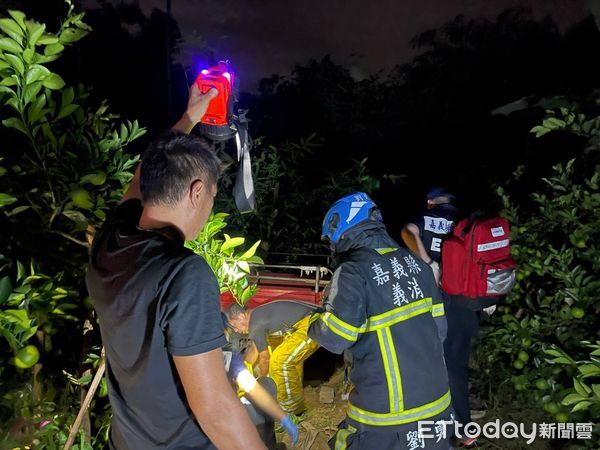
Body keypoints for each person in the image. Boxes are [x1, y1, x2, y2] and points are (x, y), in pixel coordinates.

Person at [86, 84, 267, 449]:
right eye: (212, 198)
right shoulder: (184, 273)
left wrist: (189, 118)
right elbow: (214, 408)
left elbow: (141, 179)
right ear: (197, 191)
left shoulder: (109, 243)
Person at [308, 192, 453, 450]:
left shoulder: (353, 270)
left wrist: (314, 321)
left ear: (340, 231)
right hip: (438, 404)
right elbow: (440, 332)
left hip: (388, 415)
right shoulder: (418, 265)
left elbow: (335, 337)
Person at [402, 189, 479, 448]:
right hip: (468, 303)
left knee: (434, 363)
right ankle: (465, 428)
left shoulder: (426, 215)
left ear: (430, 201)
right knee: (457, 365)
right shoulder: (467, 221)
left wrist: (427, 263)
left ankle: (437, 426)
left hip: (439, 300)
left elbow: (407, 232)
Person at [225, 300, 320, 416]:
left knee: (280, 361)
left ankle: (293, 410)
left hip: (313, 324)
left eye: (234, 325)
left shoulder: (255, 324)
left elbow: (265, 358)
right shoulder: (258, 316)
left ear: (241, 316)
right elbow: (255, 351)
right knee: (286, 358)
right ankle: (294, 403)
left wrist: (262, 383)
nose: (236, 330)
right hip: (310, 320)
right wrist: (242, 368)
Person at [401, 187, 459, 283]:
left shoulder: (424, 217)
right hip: (457, 280)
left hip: (430, 279)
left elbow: (408, 230)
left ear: (430, 201)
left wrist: (429, 263)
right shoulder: (464, 219)